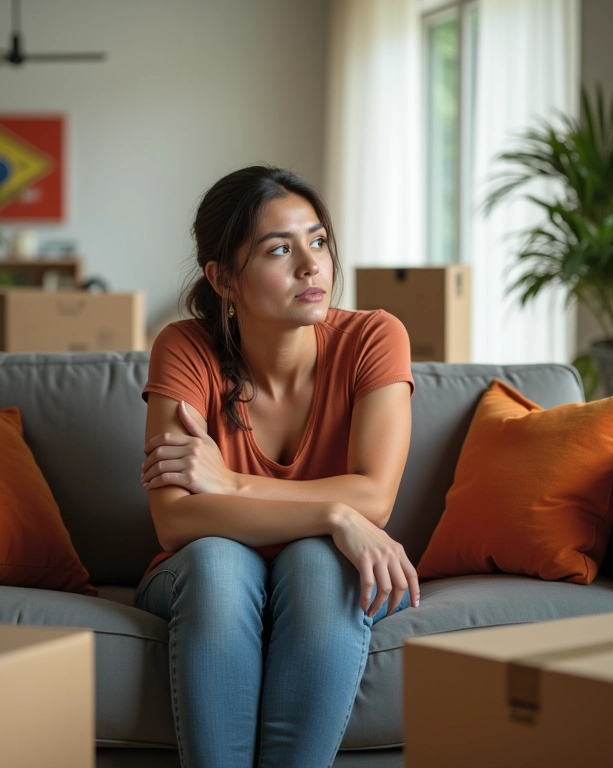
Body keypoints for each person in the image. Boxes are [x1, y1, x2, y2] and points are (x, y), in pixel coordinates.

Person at [135, 164, 419, 768]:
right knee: (217, 560)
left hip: (322, 575)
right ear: (223, 279)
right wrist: (334, 511)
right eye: (279, 249)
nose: (311, 265)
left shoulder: (374, 338)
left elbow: (376, 499)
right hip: (201, 579)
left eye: (317, 241)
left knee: (319, 562)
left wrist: (233, 483)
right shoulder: (185, 348)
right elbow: (175, 523)